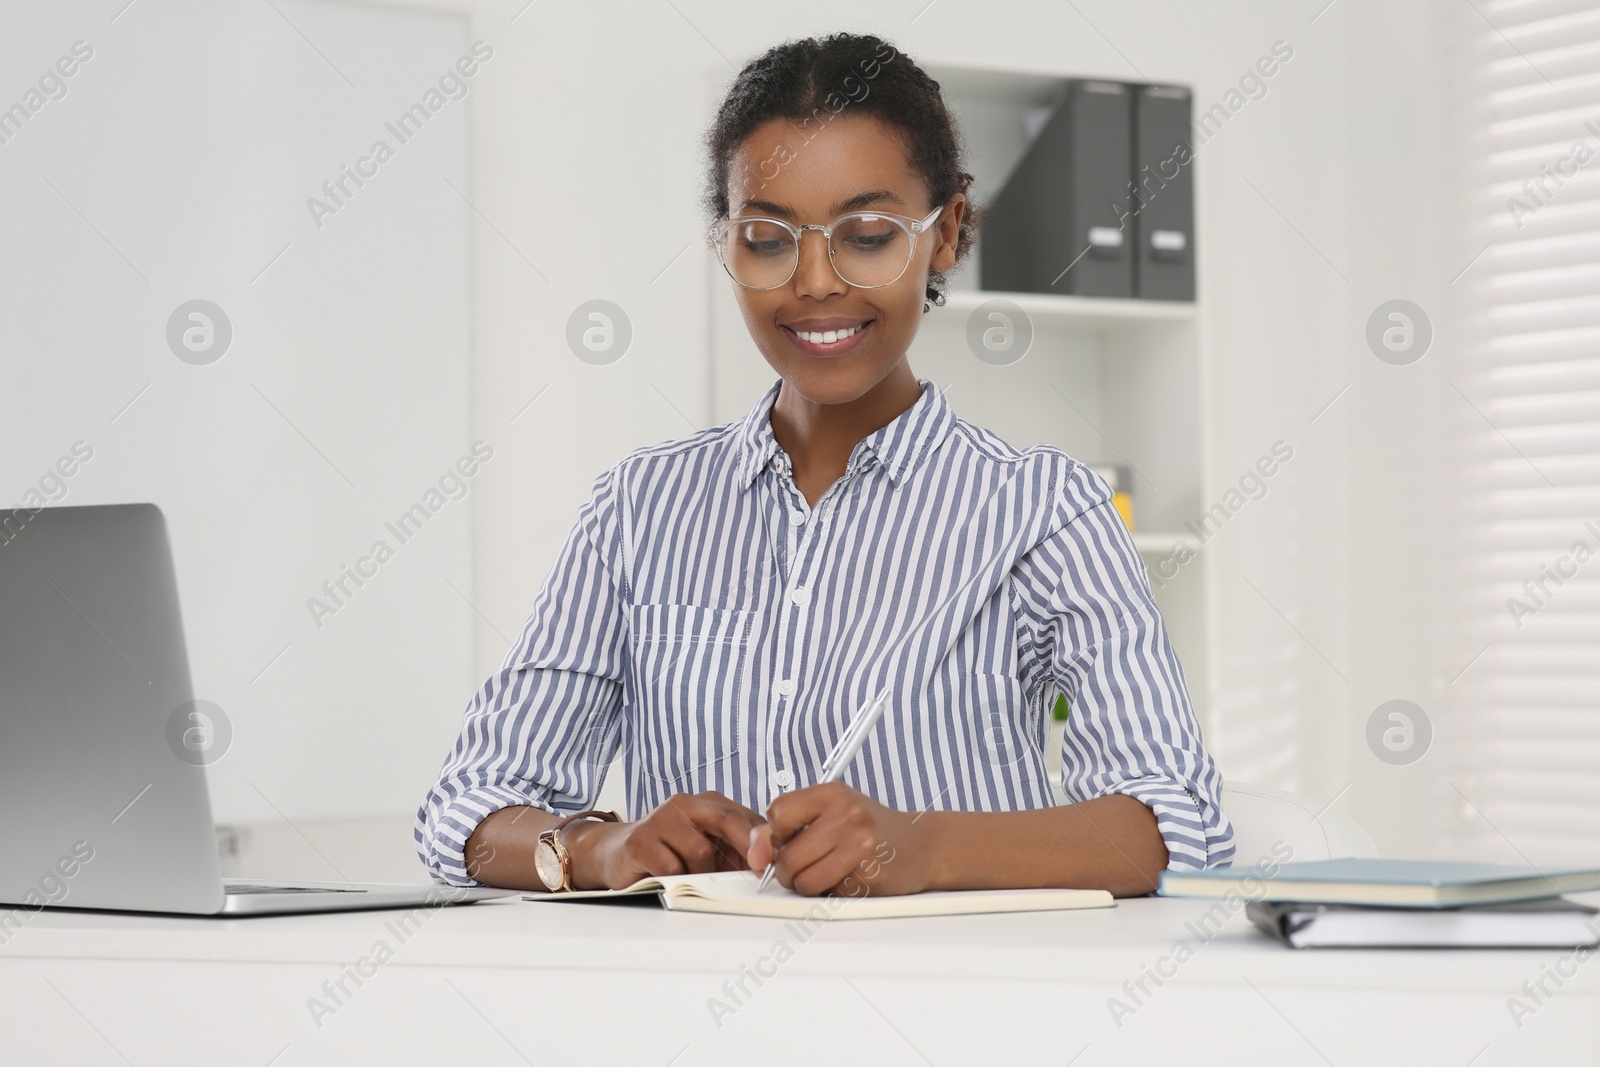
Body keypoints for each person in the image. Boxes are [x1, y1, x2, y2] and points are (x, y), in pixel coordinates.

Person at [415, 31, 1233, 900]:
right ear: (726, 244)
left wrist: (922, 849)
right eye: (767, 241)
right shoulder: (639, 507)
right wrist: (598, 851)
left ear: (947, 231)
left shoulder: (1042, 509)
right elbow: (467, 804)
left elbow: (1178, 823)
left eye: (868, 235)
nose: (813, 282)